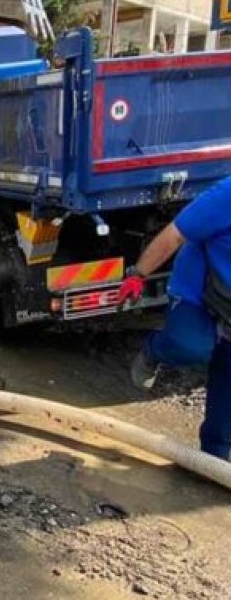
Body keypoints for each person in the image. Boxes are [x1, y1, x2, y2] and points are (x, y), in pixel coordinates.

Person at [119, 176, 231, 459]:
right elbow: (175, 234)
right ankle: (153, 350)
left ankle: (214, 459)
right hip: (199, 291)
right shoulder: (226, 196)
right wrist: (138, 274)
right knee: (190, 345)